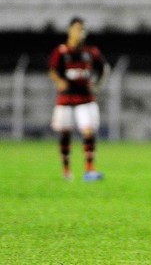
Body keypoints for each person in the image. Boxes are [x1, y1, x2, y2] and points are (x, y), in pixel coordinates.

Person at [49, 17, 110, 182]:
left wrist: (97, 85)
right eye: (77, 29)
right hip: (66, 97)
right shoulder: (61, 51)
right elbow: (53, 71)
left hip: (85, 97)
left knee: (88, 131)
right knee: (65, 133)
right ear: (70, 30)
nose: (80, 32)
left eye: (82, 29)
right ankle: (66, 170)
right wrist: (59, 81)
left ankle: (89, 169)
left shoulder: (90, 51)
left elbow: (104, 68)